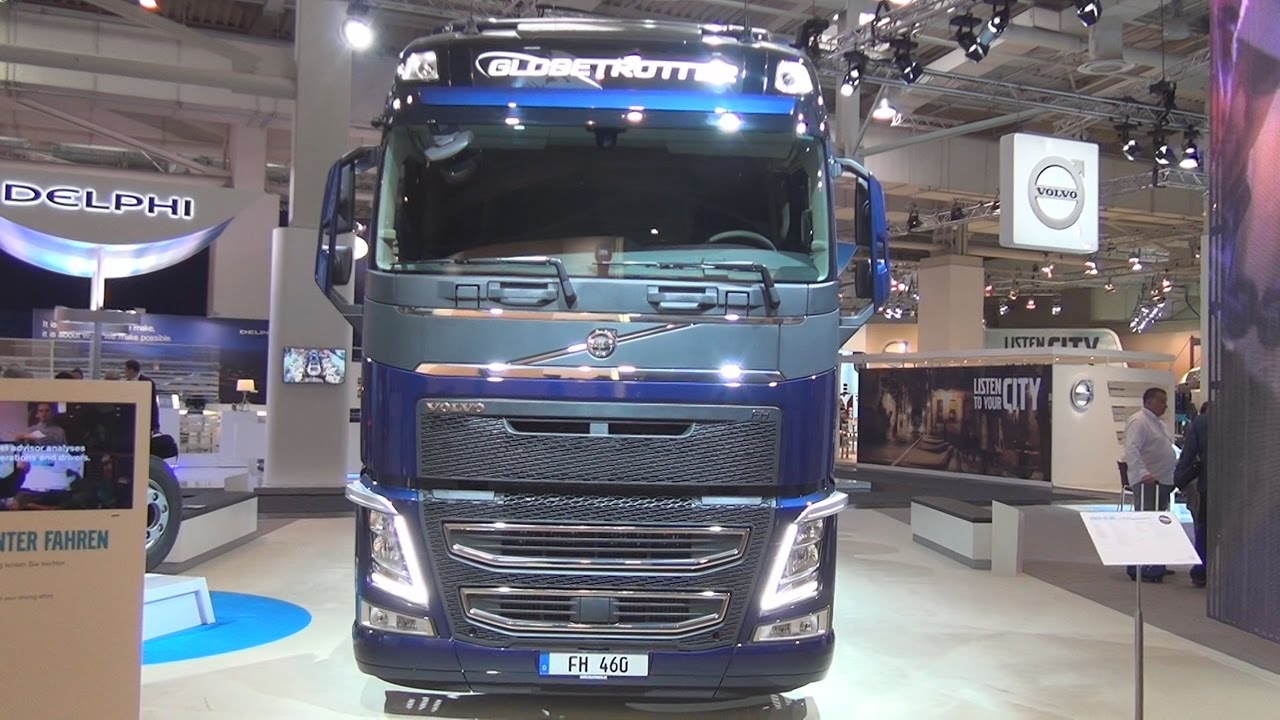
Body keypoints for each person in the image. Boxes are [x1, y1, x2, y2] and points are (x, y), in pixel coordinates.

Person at [1124, 387, 1177, 582]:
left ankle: (1155, 562)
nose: (1165, 406)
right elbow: (1131, 449)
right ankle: (1138, 566)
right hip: (1148, 481)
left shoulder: (1158, 423)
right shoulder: (1139, 421)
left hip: (1162, 480)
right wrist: (1143, 473)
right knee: (1144, 522)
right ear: (1149, 402)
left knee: (1157, 523)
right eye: (1161, 401)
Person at [1176, 402, 1209, 588]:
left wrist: (1179, 478)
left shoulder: (1202, 423)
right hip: (1243, 487)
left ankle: (1201, 571)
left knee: (1204, 529)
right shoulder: (1247, 419)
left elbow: (1188, 454)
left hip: (1209, 486)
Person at [122, 359, 160, 433]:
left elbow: (152, 404)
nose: (124, 372)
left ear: (131, 370)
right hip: (130, 420)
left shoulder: (147, 383)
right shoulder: (126, 383)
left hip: (144, 418)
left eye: (125, 370)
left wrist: (155, 424)